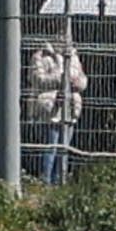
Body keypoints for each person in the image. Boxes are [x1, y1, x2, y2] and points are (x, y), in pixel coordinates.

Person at [24, 20, 86, 185]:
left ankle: (61, 180)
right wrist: (61, 79)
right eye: (60, 33)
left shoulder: (73, 56)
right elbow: (37, 79)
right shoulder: (41, 56)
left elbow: (83, 79)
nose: (64, 37)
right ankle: (46, 181)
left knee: (65, 148)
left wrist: (77, 82)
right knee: (50, 146)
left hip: (70, 107)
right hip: (50, 108)